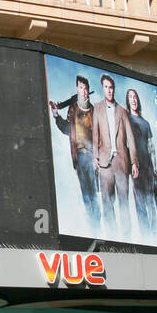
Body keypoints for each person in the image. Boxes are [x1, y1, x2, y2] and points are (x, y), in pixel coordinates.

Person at [92, 74, 139, 236]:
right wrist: (95, 157)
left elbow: (131, 139)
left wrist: (134, 162)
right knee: (106, 200)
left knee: (124, 201)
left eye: (111, 87)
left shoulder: (122, 111)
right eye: (106, 87)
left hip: (121, 162)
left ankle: (126, 239)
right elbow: (95, 134)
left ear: (114, 89)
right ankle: (112, 237)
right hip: (104, 162)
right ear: (102, 88)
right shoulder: (97, 108)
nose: (109, 90)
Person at [50, 74, 99, 225]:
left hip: (92, 156)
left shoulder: (94, 110)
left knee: (94, 193)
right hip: (79, 157)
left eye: (86, 88)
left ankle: (98, 225)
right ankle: (92, 225)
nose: (84, 91)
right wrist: (56, 115)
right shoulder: (72, 109)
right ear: (77, 89)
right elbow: (67, 130)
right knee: (86, 194)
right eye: (81, 88)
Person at [125, 88, 157, 234]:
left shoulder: (145, 123)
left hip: (148, 168)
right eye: (130, 97)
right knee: (139, 203)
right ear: (128, 101)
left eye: (135, 97)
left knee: (151, 202)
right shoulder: (126, 120)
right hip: (136, 167)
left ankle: (154, 234)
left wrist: (155, 168)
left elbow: (151, 147)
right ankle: (146, 235)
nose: (133, 100)